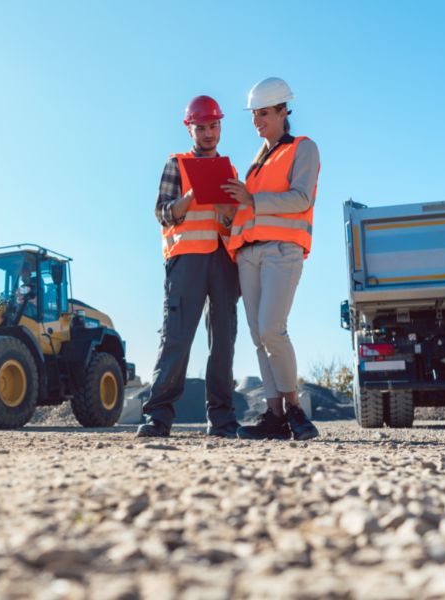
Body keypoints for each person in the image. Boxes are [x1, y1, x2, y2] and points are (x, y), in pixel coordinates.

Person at [221, 77, 320, 441]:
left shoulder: (303, 148)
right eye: (254, 114)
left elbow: (301, 199)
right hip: (249, 254)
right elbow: (249, 208)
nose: (256, 120)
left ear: (283, 111)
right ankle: (275, 415)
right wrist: (230, 210)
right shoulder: (255, 163)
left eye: (264, 113)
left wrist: (251, 200)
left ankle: (295, 411)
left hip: (282, 250)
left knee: (271, 329)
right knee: (258, 336)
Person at [137, 95, 240, 439]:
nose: (209, 133)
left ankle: (223, 420)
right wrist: (193, 194)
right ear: (189, 128)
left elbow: (237, 219)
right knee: (177, 338)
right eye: (202, 127)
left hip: (224, 262)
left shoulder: (231, 170)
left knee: (223, 341)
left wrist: (231, 213)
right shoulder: (176, 164)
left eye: (214, 126)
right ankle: (158, 418)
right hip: (187, 261)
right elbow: (162, 212)